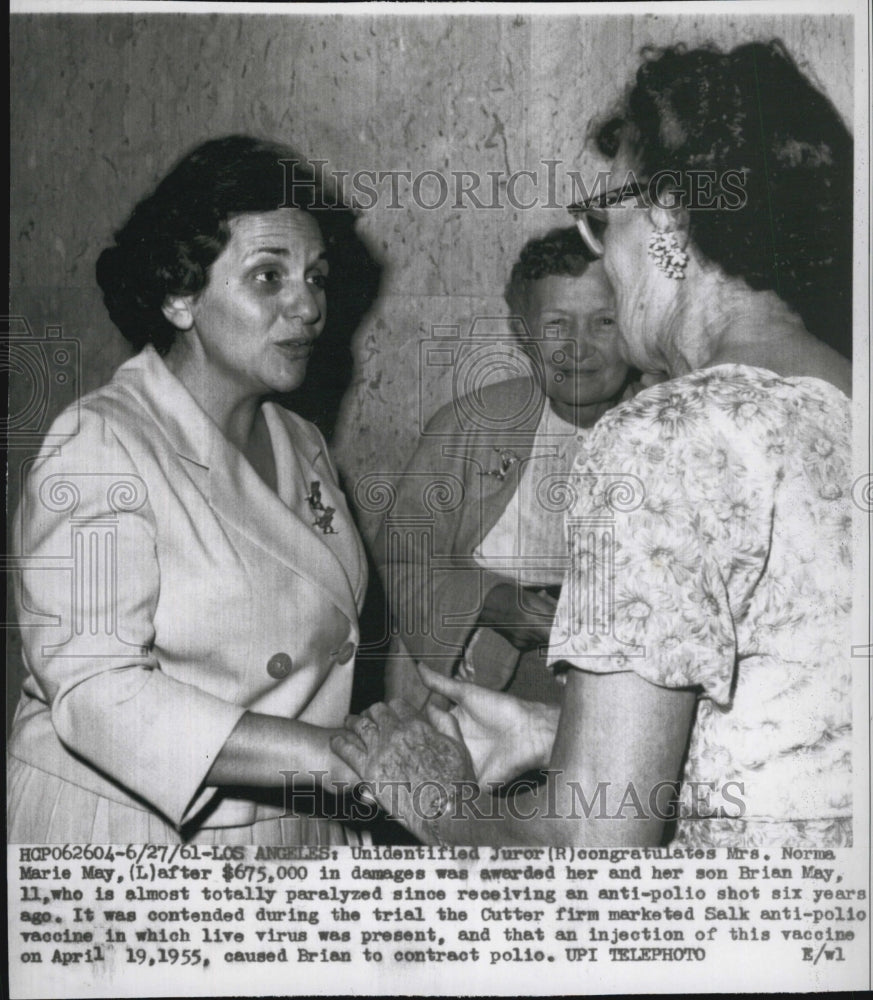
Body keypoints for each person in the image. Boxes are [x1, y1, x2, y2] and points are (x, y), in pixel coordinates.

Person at [333, 39, 854, 849]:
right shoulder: (846, 398)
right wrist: (553, 732)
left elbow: (594, 856)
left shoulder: (661, 439)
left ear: (670, 219)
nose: (600, 257)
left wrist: (433, 798)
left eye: (601, 219)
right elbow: (790, 730)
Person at [7, 135, 379, 844]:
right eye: (269, 277)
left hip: (285, 823)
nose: (308, 307)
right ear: (180, 295)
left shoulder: (299, 441)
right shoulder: (101, 444)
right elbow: (97, 693)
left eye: (317, 276)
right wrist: (343, 761)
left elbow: (326, 642)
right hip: (136, 836)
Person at [381, 228, 632, 709]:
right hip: (479, 684)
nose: (579, 348)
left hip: (615, 690)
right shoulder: (471, 426)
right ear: (523, 333)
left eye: (604, 321)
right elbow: (400, 558)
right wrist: (487, 600)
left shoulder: (668, 433)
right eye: (557, 323)